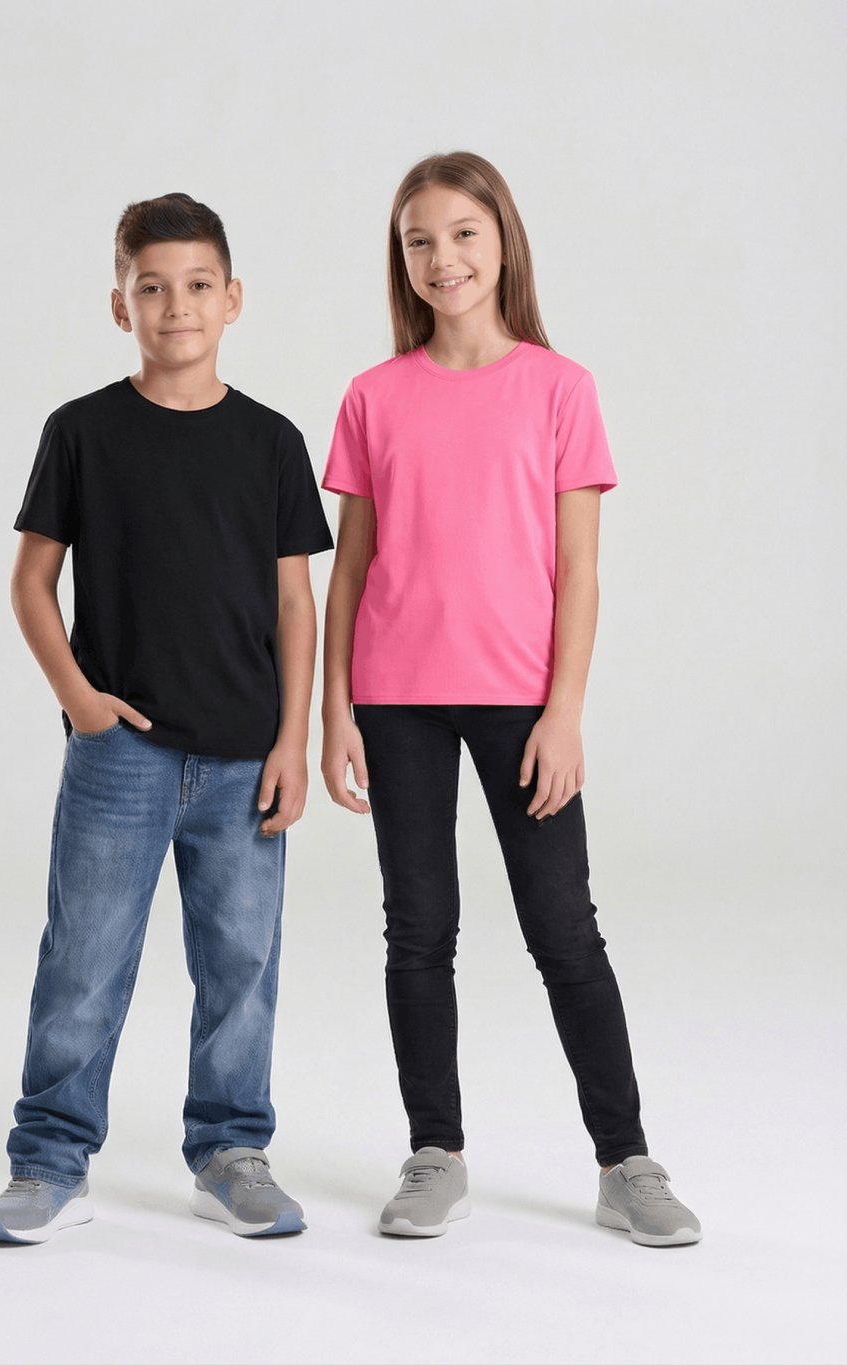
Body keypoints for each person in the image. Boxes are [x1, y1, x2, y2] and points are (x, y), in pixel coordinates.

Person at [320, 152, 700, 1247]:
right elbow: (350, 571)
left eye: (462, 235)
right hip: (395, 699)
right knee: (417, 930)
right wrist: (336, 711)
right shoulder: (372, 396)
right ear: (401, 259)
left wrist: (564, 710)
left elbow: (580, 571)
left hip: (520, 704)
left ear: (502, 244)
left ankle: (625, 1161)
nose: (442, 258)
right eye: (419, 241)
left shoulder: (559, 387)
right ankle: (433, 1152)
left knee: (563, 930)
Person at [0, 192, 332, 1244]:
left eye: (197, 285)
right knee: (84, 959)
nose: (177, 306)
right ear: (119, 304)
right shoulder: (82, 431)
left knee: (241, 966)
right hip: (119, 756)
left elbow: (294, 603)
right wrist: (79, 701)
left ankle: (230, 1152)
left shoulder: (271, 440)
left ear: (233, 298)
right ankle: (49, 1160)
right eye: (152, 287)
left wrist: (293, 741)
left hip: (244, 758)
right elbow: (32, 582)